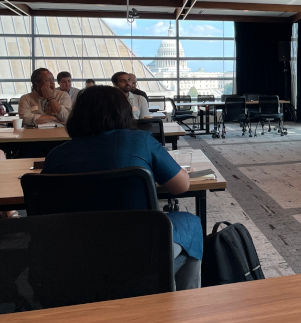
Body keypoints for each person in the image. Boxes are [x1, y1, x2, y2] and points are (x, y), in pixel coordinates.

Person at [42, 86, 202, 289]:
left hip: (73, 251)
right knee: (191, 222)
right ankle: (181, 302)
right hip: (138, 245)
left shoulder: (56, 155)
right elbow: (181, 186)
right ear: (123, 112)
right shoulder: (140, 141)